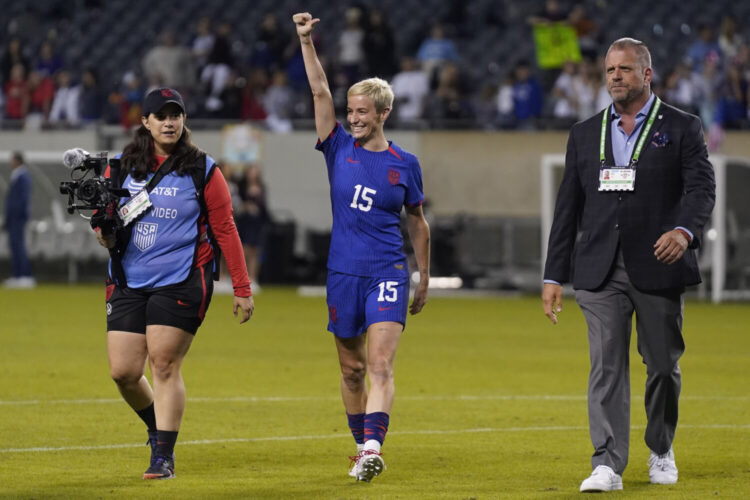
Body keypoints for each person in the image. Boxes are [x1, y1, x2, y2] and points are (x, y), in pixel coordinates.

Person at [542, 38, 716, 492]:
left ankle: (660, 448)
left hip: (658, 264)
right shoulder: (584, 133)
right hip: (599, 270)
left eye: (623, 69)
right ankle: (607, 463)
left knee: (661, 365)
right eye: (609, 70)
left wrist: (683, 231)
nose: (615, 76)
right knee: (606, 366)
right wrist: (553, 274)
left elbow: (701, 190)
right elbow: (567, 208)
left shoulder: (682, 127)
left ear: (646, 74)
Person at [293, 12, 431, 483]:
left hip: (388, 271)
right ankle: (360, 447)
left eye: (362, 113)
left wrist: (424, 277)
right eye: (350, 111)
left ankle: (374, 446)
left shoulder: (404, 164)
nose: (352, 118)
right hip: (343, 273)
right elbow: (317, 92)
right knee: (351, 369)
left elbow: (417, 222)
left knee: (378, 363)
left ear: (383, 114)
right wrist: (307, 42)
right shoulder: (336, 148)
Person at [96, 87, 254, 480]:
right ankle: (157, 429)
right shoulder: (118, 167)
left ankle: (163, 456)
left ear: (184, 120)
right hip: (128, 279)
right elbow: (104, 226)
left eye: (176, 115)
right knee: (124, 372)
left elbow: (225, 228)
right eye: (161, 115)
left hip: (182, 278)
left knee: (164, 363)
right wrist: (103, 232)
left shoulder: (204, 169)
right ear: (145, 122)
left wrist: (242, 286)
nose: (169, 122)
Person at [3, 151, 35, 288]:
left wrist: (17, 215)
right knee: (15, 246)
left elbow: (22, 199)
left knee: (19, 246)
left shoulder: (23, 177)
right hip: (13, 217)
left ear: (17, 161)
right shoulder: (17, 175)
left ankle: (24, 276)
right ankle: (18, 275)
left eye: (12, 160)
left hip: (18, 217)